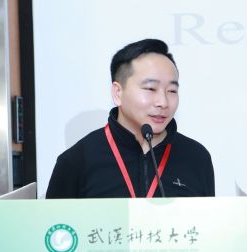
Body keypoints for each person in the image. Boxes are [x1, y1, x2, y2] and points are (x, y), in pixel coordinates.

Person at [47, 38, 214, 199]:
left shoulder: (196, 157)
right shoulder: (77, 160)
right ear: (118, 93)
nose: (163, 102)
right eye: (150, 88)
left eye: (172, 91)